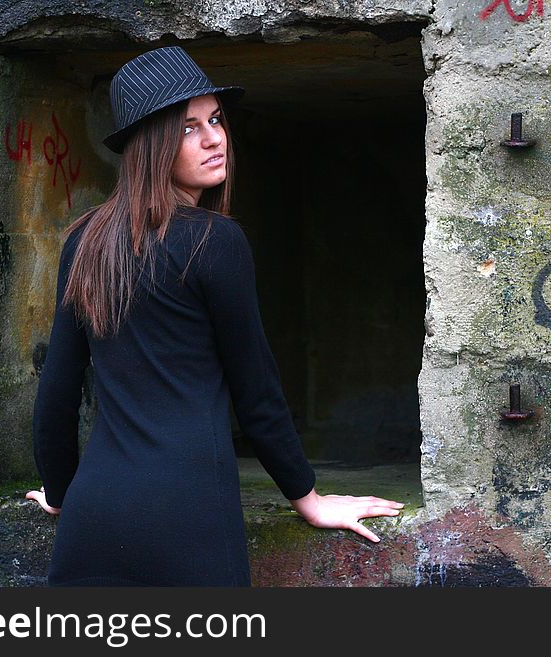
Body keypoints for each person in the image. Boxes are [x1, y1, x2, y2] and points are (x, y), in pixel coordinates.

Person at [26, 46, 404, 586]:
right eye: (187, 128)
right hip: (190, 518)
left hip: (95, 515)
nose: (214, 137)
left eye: (216, 119)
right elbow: (257, 391)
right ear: (150, 146)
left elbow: (56, 395)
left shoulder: (85, 240)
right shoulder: (215, 240)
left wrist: (62, 493)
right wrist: (310, 499)